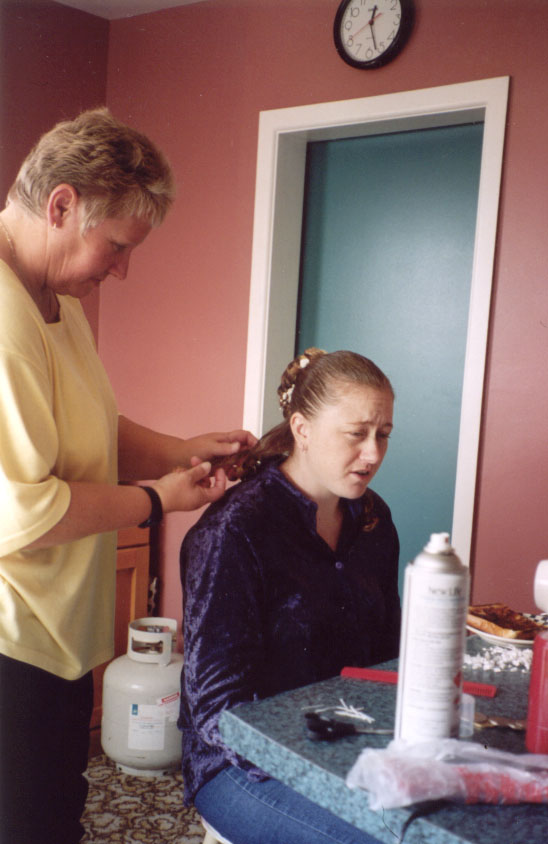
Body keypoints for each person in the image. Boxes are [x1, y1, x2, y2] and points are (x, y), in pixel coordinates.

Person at [0, 107, 255, 844]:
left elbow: (89, 429)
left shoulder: (57, 297)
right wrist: (154, 500)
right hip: (12, 641)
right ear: (61, 205)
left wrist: (180, 451)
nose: (121, 268)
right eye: (115, 246)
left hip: (56, 634)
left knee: (54, 810)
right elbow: (21, 510)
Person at [179, 348, 401, 844]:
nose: (373, 454)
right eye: (357, 433)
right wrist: (327, 770)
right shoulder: (236, 531)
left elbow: (389, 660)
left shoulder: (374, 521)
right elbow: (218, 713)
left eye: (383, 435)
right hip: (244, 769)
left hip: (353, 745)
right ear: (301, 428)